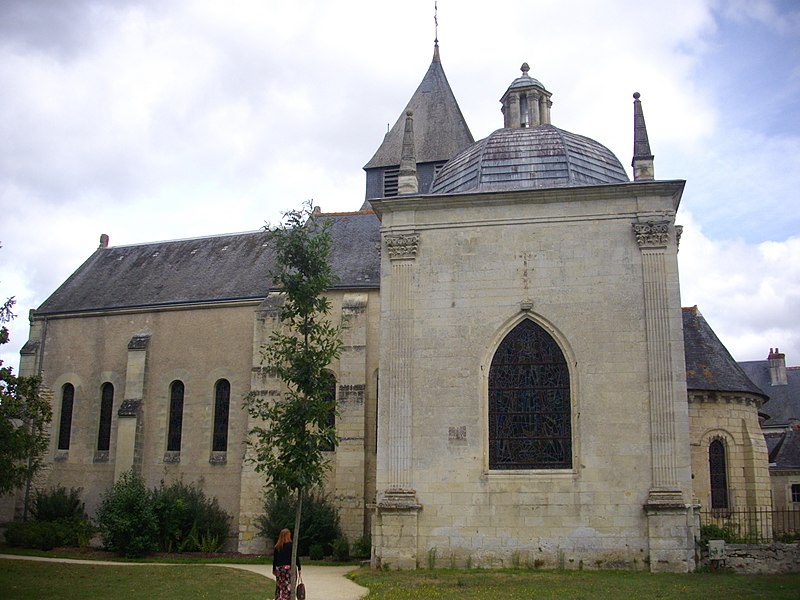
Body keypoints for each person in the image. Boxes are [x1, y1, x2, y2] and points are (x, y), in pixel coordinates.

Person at [272, 528, 301, 600]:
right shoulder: (291, 546)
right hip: (288, 568)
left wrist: (274, 569)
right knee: (288, 586)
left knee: (280, 585)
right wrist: (299, 567)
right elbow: (295, 557)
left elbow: (275, 559)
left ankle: (279, 597)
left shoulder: (277, 547)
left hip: (279, 568)